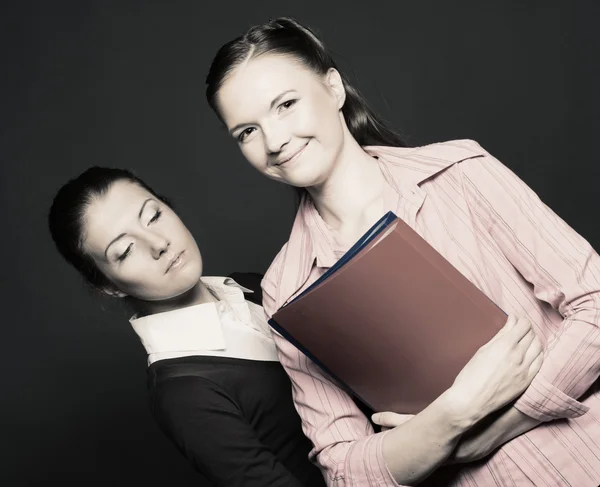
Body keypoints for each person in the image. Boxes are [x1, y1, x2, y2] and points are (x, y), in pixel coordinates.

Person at [205, 17, 600, 487]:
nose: (274, 142)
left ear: (333, 89)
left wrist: (500, 425)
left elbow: (595, 302)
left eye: (286, 105)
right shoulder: (286, 288)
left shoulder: (458, 173)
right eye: (246, 132)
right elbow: (343, 468)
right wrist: (454, 416)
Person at [47, 167, 326, 487]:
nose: (158, 243)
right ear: (110, 286)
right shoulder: (183, 392)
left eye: (152, 216)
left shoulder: (253, 285)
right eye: (125, 250)